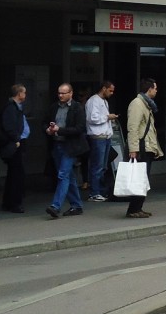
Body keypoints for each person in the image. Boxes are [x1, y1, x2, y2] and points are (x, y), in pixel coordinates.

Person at [45, 83, 88, 219]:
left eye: (63, 93)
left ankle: (56, 206)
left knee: (63, 175)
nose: (60, 95)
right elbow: (45, 121)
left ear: (71, 93)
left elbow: (80, 128)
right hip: (57, 144)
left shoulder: (77, 108)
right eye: (59, 93)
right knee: (68, 176)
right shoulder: (54, 107)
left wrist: (60, 130)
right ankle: (76, 205)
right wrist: (48, 129)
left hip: (70, 146)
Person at [125, 78, 163, 218]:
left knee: (142, 179)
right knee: (139, 179)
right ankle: (133, 209)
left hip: (146, 146)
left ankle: (138, 208)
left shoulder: (146, 104)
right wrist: (133, 149)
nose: (156, 91)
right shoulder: (137, 104)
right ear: (150, 89)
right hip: (142, 147)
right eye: (155, 88)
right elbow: (133, 128)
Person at [85, 80, 119, 202]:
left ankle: (100, 190)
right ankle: (94, 192)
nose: (111, 93)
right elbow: (92, 118)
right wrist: (107, 117)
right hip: (98, 137)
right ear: (104, 88)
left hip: (105, 136)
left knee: (103, 166)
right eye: (110, 90)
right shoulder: (93, 101)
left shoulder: (104, 101)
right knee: (97, 166)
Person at [0, 84, 30, 213]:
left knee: (15, 173)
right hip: (15, 144)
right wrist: (16, 139)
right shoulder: (11, 108)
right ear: (19, 94)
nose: (25, 95)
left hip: (19, 142)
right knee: (16, 174)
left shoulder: (17, 107)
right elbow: (9, 126)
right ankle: (14, 203)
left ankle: (10, 202)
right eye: (24, 92)